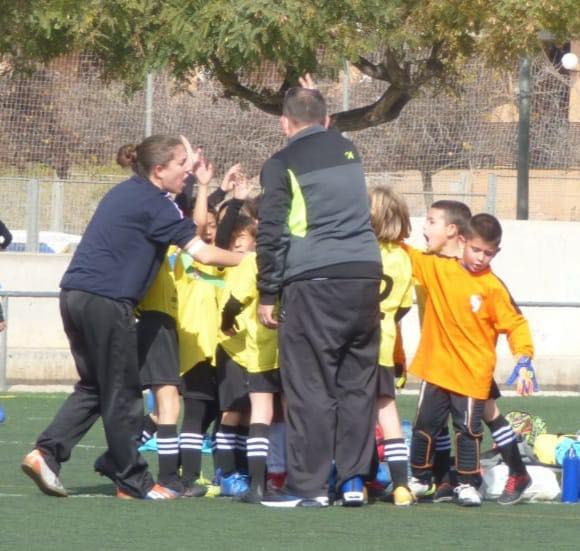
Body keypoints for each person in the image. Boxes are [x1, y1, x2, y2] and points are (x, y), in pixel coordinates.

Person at [21, 134, 241, 500]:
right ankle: (133, 480)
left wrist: (202, 187)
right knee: (123, 391)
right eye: (181, 166)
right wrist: (251, 260)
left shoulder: (125, 192)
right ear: (159, 170)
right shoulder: (156, 204)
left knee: (95, 385)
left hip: (74, 296)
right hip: (107, 302)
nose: (188, 173)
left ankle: (47, 453)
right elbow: (202, 253)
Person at [257, 85, 382, 508]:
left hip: (315, 280)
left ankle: (306, 487)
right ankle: (352, 482)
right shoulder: (349, 152)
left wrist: (267, 292)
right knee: (357, 383)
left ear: (283, 123)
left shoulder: (281, 162)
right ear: (328, 120)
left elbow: (271, 232)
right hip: (365, 276)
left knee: (309, 384)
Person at [405, 213, 535, 507]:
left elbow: (516, 324)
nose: (481, 258)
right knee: (425, 424)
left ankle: (467, 483)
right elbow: (404, 254)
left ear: (496, 252)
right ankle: (422, 479)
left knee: (467, 429)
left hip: (472, 374)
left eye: (488, 253)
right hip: (436, 368)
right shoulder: (438, 267)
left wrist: (524, 358)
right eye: (476, 250)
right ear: (461, 241)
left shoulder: (492, 287)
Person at [220, 216, 281, 504]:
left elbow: (236, 299)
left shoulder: (254, 261)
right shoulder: (298, 257)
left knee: (261, 410)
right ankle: (293, 478)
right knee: (294, 413)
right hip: (296, 346)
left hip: (263, 346)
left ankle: (258, 485)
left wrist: (226, 319)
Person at [367, 185, 414, 507]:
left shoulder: (359, 251)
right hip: (384, 341)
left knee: (356, 413)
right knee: (387, 410)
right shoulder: (402, 257)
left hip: (355, 343)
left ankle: (362, 480)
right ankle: (400, 485)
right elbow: (404, 306)